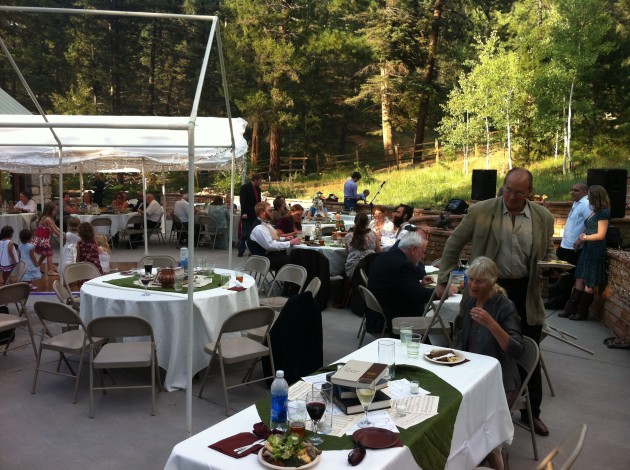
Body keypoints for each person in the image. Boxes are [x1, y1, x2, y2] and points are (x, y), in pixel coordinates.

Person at [437, 167, 556, 437]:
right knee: (475, 349)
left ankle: (531, 413)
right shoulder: (482, 211)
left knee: (528, 353)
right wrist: (444, 278)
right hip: (486, 289)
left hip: (525, 291)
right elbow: (454, 243)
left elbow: (548, 249)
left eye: (519, 192)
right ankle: (467, 408)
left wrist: (551, 265)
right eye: (507, 189)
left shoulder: (543, 217)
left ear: (530, 193)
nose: (511, 196)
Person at [457, 256, 523, 470]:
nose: (473, 285)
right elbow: (462, 341)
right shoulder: (469, 301)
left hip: (500, 379)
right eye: (471, 279)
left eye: (480, 281)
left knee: (479, 420)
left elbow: (516, 349)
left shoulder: (505, 306)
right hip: (471, 374)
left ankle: (496, 459)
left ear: (492, 281)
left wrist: (491, 323)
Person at [367, 231, 435, 333]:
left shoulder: (385, 256)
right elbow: (419, 295)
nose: (423, 257)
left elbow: (398, 286)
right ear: (413, 249)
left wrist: (420, 284)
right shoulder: (401, 265)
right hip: (394, 316)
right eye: (423, 252)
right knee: (435, 317)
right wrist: (441, 292)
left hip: (377, 312)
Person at [563, 185, 611, 321]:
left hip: (596, 250)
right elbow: (591, 229)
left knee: (589, 281)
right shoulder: (594, 212)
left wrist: (585, 237)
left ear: (596, 197)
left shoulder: (603, 213)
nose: (588, 198)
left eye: (590, 195)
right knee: (580, 278)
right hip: (588, 248)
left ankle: (582, 312)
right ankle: (570, 309)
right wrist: (581, 238)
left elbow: (601, 235)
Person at [546, 182, 590, 310]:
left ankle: (558, 302)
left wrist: (580, 239)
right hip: (565, 245)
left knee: (566, 276)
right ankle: (553, 299)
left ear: (584, 192)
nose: (572, 192)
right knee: (555, 272)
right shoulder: (577, 203)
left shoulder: (586, 204)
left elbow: (593, 224)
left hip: (573, 248)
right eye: (572, 190)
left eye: (576, 190)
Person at [249, 201, 301, 270]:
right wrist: (290, 242)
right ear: (262, 213)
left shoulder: (265, 223)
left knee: (295, 255)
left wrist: (285, 239)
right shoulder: (259, 228)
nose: (272, 212)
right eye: (270, 211)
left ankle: (285, 279)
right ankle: (288, 279)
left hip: (269, 255)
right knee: (294, 259)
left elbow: (270, 238)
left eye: (272, 210)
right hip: (263, 259)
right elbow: (270, 246)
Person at [344, 212, 381, 278]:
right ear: (367, 222)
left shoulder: (348, 236)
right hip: (369, 268)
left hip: (352, 269)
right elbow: (378, 252)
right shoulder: (373, 234)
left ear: (355, 221)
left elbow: (347, 254)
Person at [33, 202, 61, 276]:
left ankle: (37, 266)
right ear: (49, 210)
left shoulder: (49, 218)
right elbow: (54, 230)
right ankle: (50, 271)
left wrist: (63, 232)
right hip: (43, 240)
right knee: (49, 253)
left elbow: (56, 227)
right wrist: (62, 236)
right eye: (54, 211)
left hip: (43, 239)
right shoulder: (47, 218)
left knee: (45, 254)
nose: (55, 212)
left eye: (56, 211)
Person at [238, 173, 263, 257]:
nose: (260, 182)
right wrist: (244, 212)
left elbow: (258, 202)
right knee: (245, 233)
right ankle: (241, 250)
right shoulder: (245, 187)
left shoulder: (258, 189)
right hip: (247, 213)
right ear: (255, 180)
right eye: (260, 180)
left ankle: (252, 250)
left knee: (253, 233)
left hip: (255, 214)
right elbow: (243, 201)